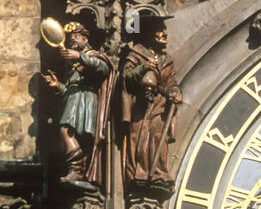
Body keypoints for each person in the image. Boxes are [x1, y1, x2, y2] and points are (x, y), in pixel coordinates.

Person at [41, 21, 113, 185]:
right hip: (73, 97)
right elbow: (69, 88)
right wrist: (57, 85)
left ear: (85, 39)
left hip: (85, 98)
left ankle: (77, 168)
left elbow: (104, 68)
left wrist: (79, 56)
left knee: (66, 130)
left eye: (75, 37)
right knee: (72, 134)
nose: (72, 41)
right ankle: (79, 170)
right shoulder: (73, 66)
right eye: (70, 38)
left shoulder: (94, 55)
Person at [120, 12, 182, 189]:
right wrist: (142, 69)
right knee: (140, 135)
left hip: (160, 105)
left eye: (164, 29)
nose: (165, 33)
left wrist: (176, 92)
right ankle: (141, 171)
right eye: (160, 29)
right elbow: (126, 78)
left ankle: (159, 172)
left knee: (157, 134)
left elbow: (171, 83)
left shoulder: (166, 59)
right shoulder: (136, 54)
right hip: (141, 105)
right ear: (148, 32)